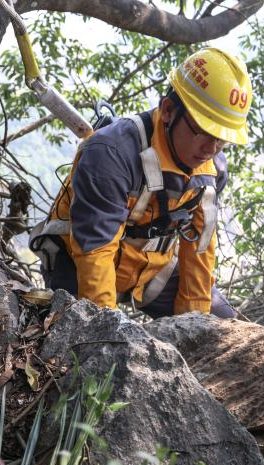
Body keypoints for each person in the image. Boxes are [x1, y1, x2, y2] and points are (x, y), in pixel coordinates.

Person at [30, 48, 252, 319]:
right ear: (168, 110)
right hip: (79, 263)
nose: (211, 148)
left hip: (150, 268)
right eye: (203, 133)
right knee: (80, 336)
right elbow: (95, 254)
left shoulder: (211, 171)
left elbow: (201, 246)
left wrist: (198, 325)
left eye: (221, 139)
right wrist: (107, 331)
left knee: (224, 328)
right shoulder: (110, 154)